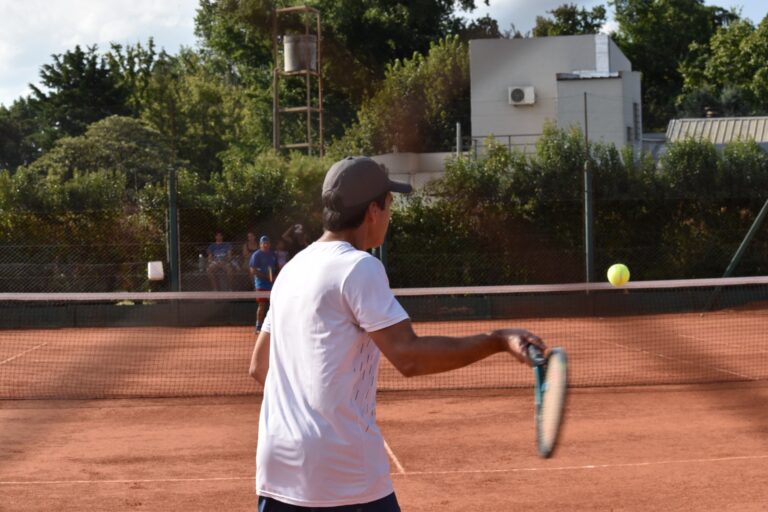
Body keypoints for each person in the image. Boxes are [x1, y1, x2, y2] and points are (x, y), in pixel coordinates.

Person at [248, 156, 546, 511]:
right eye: (390, 205)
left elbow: (259, 366)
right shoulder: (358, 267)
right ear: (373, 210)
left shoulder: (291, 270)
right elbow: (408, 357)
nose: (389, 216)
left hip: (277, 468)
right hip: (343, 476)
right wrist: (498, 340)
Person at [249, 235, 277, 333]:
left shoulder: (273, 254)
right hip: (260, 285)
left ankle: (273, 327)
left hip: (271, 285)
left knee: (273, 305)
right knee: (262, 305)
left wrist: (274, 277)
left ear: (269, 244)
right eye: (263, 243)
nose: (265, 245)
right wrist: (266, 277)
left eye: (267, 243)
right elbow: (253, 270)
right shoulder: (256, 255)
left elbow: (275, 269)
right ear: (260, 244)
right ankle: (258, 327)